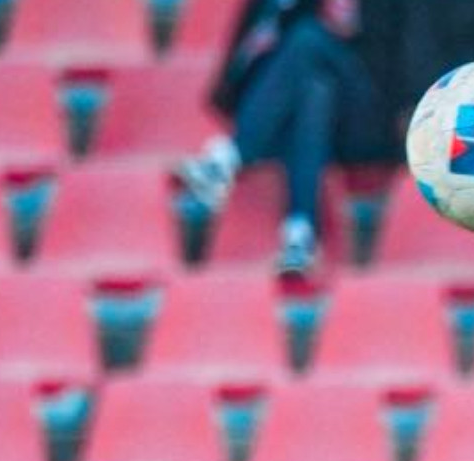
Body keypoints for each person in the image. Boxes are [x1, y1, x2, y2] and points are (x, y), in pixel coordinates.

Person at [178, 0, 442, 275]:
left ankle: (230, 157)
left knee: (307, 38)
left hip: (370, 116)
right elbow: (251, 51)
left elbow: (413, 53)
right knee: (315, 91)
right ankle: (300, 234)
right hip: (309, 117)